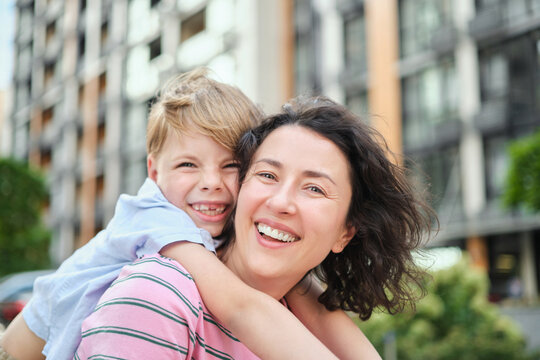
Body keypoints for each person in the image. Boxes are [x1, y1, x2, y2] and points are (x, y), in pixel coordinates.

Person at [2, 70, 367, 360]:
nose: (210, 183)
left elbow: (314, 304)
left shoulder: (224, 237)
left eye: (230, 166)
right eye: (188, 164)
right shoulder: (158, 221)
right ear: (154, 172)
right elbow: (241, 308)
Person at [75, 96, 433, 359]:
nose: (280, 202)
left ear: (346, 233)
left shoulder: (311, 324)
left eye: (314, 188)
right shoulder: (160, 295)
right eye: (267, 175)